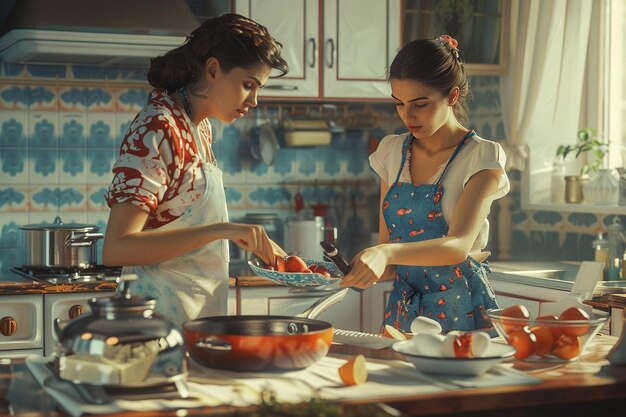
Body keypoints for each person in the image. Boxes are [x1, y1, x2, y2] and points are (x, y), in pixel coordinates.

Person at [102, 13, 289, 326]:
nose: (254, 101)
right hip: (153, 327)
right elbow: (117, 248)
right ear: (213, 69)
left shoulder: (198, 128)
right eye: (247, 85)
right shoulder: (158, 127)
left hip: (194, 324)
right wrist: (223, 230)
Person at [340, 35, 510, 333]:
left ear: (452, 96)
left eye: (420, 104)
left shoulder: (482, 155)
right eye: (399, 103)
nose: (408, 115)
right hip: (405, 308)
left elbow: (458, 246)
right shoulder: (391, 152)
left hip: (461, 309)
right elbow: (390, 250)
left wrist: (385, 253)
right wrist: (358, 268)